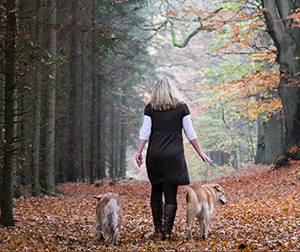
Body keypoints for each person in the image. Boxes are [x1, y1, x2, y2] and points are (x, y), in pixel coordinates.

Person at [135, 77, 212, 240]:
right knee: (171, 193)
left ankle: (158, 229)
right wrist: (200, 152)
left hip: (155, 155)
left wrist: (139, 151)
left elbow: (144, 131)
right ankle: (167, 232)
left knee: (156, 190)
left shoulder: (150, 108)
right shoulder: (182, 108)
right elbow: (190, 133)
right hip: (174, 156)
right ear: (173, 90)